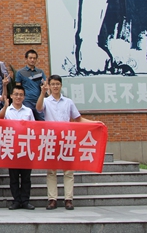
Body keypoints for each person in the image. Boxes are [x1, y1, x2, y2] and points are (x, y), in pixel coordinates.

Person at [36, 75, 101, 211]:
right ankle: (52, 199)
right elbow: (39, 108)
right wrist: (42, 93)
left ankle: (68, 199)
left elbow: (78, 119)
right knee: (51, 171)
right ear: (49, 86)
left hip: (67, 139)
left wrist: (95, 123)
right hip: (51, 139)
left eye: (57, 84)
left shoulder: (68, 102)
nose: (55, 86)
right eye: (53, 84)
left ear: (61, 85)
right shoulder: (46, 101)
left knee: (68, 171)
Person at [0, 85, 35, 210]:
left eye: (21, 95)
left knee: (26, 177)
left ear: (24, 97)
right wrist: (5, 106)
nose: (18, 97)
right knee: (13, 177)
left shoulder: (28, 111)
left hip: (26, 148)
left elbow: (34, 128)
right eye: (16, 94)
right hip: (11, 147)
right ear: (11, 96)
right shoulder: (7, 110)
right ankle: (16, 201)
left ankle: (25, 201)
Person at [15, 49, 46, 121]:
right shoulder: (20, 72)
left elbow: (45, 84)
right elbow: (18, 88)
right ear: (26, 59)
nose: (32, 60)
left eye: (34, 58)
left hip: (39, 101)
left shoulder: (40, 72)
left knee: (42, 122)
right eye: (30, 58)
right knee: (28, 121)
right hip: (26, 101)